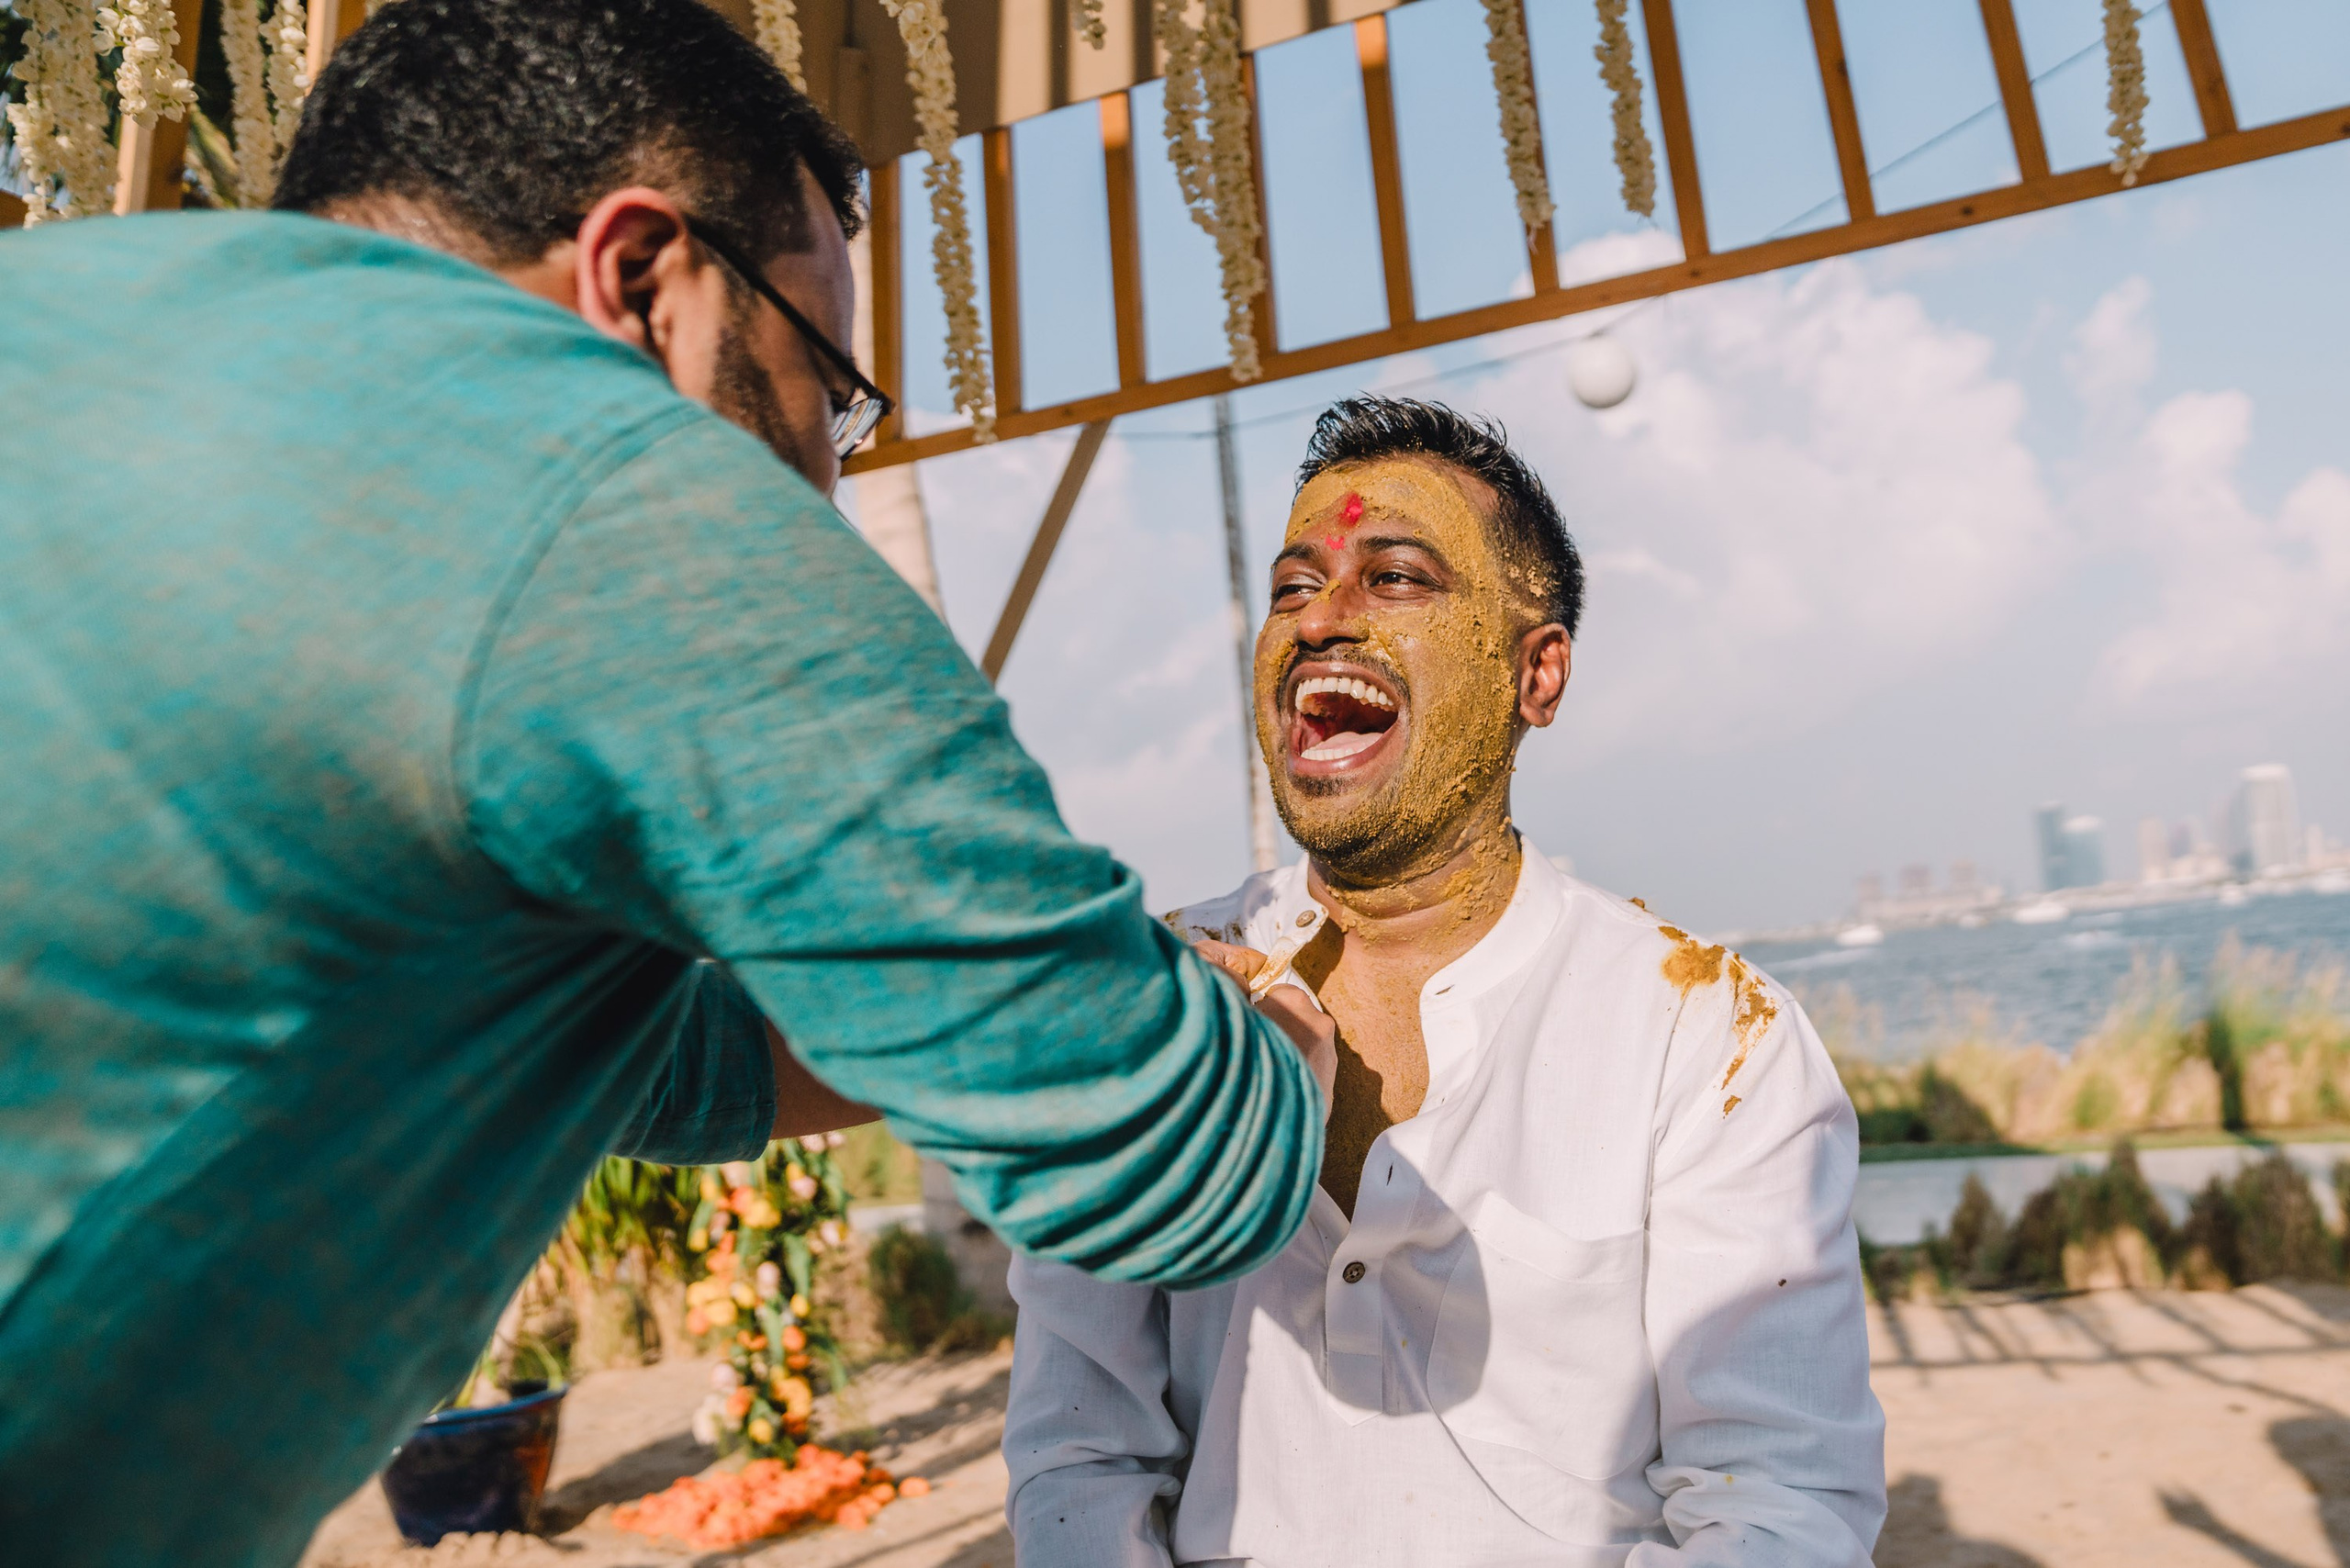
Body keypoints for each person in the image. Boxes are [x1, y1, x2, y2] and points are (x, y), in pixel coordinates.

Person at [0, 1, 1334, 1562]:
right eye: (826, 381)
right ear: (645, 281)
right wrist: (1273, 1044)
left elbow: (616, 1050)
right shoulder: (609, 485)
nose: (831, 472)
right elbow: (1170, 1158)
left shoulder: (73, 317)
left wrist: (938, 1009)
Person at [1004, 397, 1886, 1565]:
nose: (1320, 620)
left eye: (1397, 578)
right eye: (1291, 586)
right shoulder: (1150, 1003)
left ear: (1539, 673)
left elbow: (1779, 1503)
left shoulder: (1708, 1037)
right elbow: (1078, 1457)